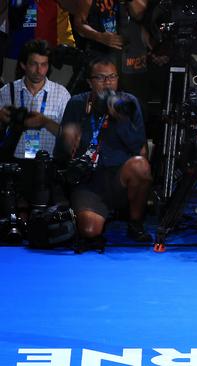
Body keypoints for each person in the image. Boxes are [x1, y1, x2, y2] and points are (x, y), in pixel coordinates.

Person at [54, 57, 152, 244]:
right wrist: (67, 140)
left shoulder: (128, 103)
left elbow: (138, 146)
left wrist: (120, 119)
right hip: (88, 180)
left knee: (140, 165)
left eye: (112, 77)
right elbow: (61, 154)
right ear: (90, 81)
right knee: (90, 230)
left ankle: (135, 223)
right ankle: (96, 212)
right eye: (101, 78)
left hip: (119, 177)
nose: (108, 83)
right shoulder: (77, 103)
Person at [0, 39, 70, 212]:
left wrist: (45, 122)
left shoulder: (61, 94)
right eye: (34, 64)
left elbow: (69, 137)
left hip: (48, 165)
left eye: (44, 65)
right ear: (23, 65)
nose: (40, 70)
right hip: (15, 165)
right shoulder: (6, 91)